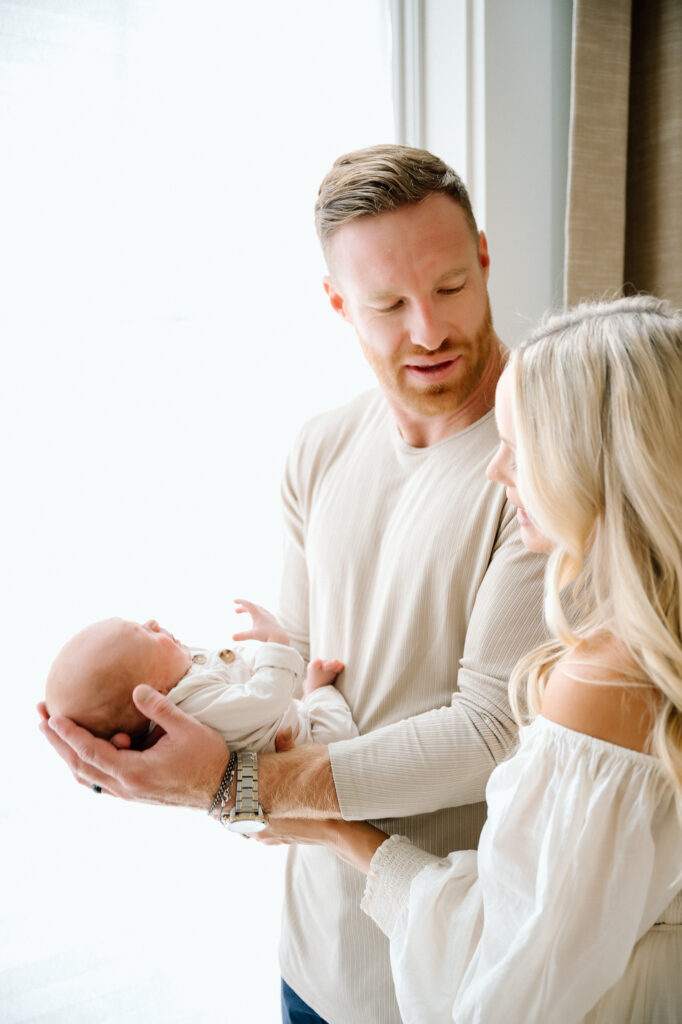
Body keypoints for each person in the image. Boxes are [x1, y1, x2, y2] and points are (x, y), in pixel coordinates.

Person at [39, 145, 547, 1023]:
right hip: (313, 961)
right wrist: (164, 744)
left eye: (453, 287)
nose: (427, 329)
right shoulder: (319, 449)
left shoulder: (547, 459)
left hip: (464, 971)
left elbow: (491, 732)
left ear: (487, 261)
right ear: (337, 304)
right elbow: (297, 672)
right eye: (387, 304)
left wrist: (233, 790)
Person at [262, 295, 682, 1023]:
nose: (494, 472)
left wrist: (333, 830)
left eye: (518, 449)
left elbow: (506, 983)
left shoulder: (602, 681)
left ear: (592, 465)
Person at [45, 600, 356, 750]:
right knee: (340, 736)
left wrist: (259, 659)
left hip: (288, 719)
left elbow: (237, 672)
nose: (153, 622)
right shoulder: (193, 708)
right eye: (143, 633)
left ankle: (312, 694)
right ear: (154, 692)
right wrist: (277, 643)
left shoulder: (181, 678)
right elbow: (264, 699)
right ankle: (317, 693)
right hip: (311, 746)